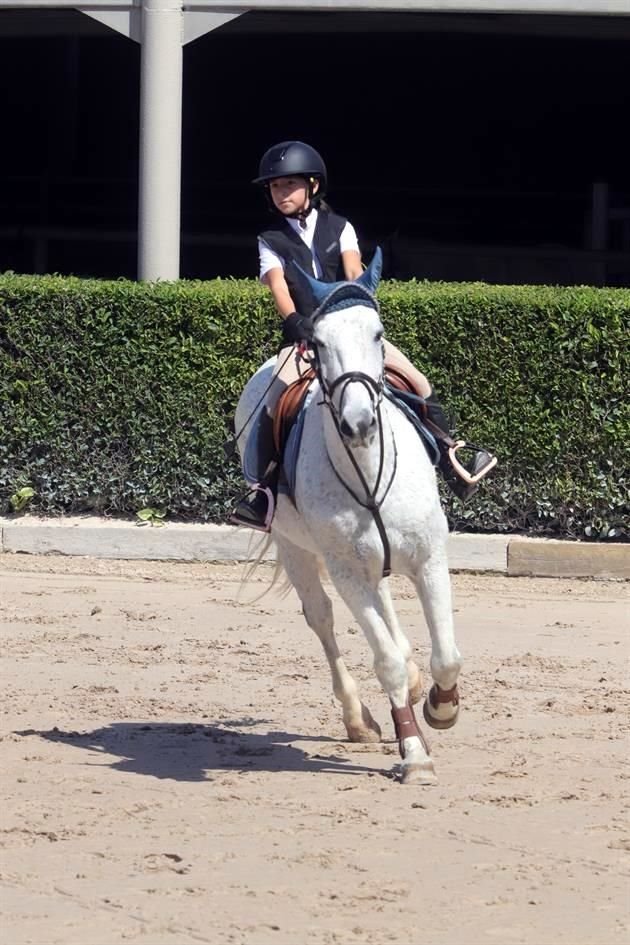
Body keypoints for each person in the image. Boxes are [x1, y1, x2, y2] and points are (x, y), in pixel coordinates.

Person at [229, 140, 495, 531]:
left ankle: (453, 456)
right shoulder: (270, 238)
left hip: (349, 333)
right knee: (272, 401)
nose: (281, 192)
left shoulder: (342, 228)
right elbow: (279, 287)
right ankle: (262, 492)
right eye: (274, 187)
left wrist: (361, 310)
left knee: (417, 380)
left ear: (313, 186)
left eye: (289, 184)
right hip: (304, 338)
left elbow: (354, 274)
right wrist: (293, 321)